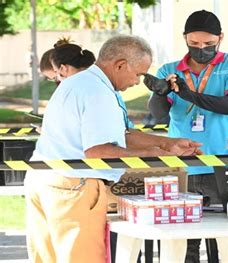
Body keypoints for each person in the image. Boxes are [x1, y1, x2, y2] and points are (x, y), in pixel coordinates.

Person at [24, 35, 202, 263]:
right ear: (120, 64)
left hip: (45, 179)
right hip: (74, 187)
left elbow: (122, 135)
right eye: (138, 74)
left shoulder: (78, 82)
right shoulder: (99, 93)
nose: (138, 82)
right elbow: (99, 151)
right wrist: (155, 156)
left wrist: (167, 143)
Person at [146, 9, 228, 263]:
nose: (201, 49)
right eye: (194, 43)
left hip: (227, 162)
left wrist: (189, 95)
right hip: (183, 164)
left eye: (209, 44)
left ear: (221, 38)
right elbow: (159, 115)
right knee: (184, 241)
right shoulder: (170, 69)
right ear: (184, 38)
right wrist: (160, 93)